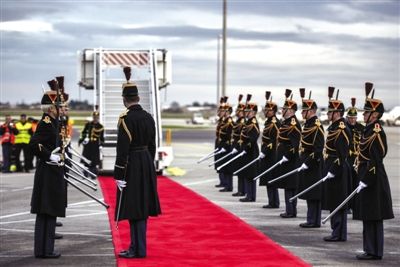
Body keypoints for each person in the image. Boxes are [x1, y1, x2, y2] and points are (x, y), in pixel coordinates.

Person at [114, 66, 161, 259]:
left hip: (132, 164)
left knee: (134, 207)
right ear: (138, 98)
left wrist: (118, 174)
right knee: (141, 207)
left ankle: (137, 249)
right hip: (146, 163)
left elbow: (122, 150)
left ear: (125, 100)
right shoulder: (149, 117)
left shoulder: (125, 119)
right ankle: (137, 247)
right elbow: (152, 145)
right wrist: (148, 162)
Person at [353, 82, 394, 260]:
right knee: (368, 216)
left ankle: (374, 251)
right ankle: (370, 249)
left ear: (375, 114)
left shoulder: (376, 132)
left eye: (366, 112)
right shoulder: (368, 130)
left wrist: (366, 179)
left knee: (373, 216)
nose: (363, 114)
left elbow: (376, 160)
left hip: (373, 180)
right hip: (367, 178)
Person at [30, 80, 67, 258]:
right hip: (48, 172)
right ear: (52, 108)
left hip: (52, 171)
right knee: (47, 211)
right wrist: (48, 155)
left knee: (48, 212)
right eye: (58, 106)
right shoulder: (46, 122)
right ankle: (45, 250)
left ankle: (44, 249)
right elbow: (33, 144)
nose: (61, 109)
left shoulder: (53, 122)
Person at [321, 87, 351, 242]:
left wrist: (333, 169)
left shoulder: (341, 129)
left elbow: (342, 155)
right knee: (334, 200)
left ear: (337, 113)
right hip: (332, 167)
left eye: (330, 112)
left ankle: (339, 233)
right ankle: (336, 231)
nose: (328, 114)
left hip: (338, 170)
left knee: (338, 202)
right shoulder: (334, 127)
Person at [297, 88, 325, 228]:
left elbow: (318, 149)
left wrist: (307, 162)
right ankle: (311, 219)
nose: (302, 113)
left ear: (311, 111)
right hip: (307, 163)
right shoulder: (308, 124)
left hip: (313, 164)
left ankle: (314, 220)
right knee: (309, 192)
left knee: (314, 193)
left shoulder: (316, 126)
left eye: (304, 111)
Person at [275, 89, 301, 218]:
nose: (282, 110)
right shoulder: (286, 122)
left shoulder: (293, 124)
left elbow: (294, 145)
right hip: (285, 160)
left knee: (290, 186)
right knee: (287, 186)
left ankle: (291, 211)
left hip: (290, 160)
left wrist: (287, 156)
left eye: (284, 109)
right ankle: (289, 209)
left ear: (290, 111)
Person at [258, 91, 281, 209]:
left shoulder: (275, 123)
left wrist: (265, 151)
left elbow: (274, 141)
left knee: (272, 179)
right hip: (267, 155)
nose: (265, 112)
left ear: (272, 111)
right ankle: (271, 201)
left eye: (267, 110)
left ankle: (274, 202)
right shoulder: (268, 122)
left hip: (271, 155)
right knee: (267, 179)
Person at [237, 98, 260, 202]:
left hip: (251, 152)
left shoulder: (253, 123)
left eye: (248, 111)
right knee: (247, 174)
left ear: (253, 112)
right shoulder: (248, 122)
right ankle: (248, 194)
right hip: (247, 152)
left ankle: (251, 196)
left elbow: (253, 139)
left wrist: (246, 148)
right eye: (245, 111)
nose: (246, 113)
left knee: (251, 175)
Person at [345, 98, 364, 211]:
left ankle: (356, 206)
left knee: (357, 183)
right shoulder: (344, 127)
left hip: (358, 160)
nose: (352, 120)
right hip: (347, 159)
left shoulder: (361, 128)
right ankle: (347, 205)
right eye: (350, 118)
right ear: (347, 118)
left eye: (354, 118)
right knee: (347, 184)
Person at [216, 98, 234, 192]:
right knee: (223, 165)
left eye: (225, 111)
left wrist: (226, 146)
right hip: (223, 145)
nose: (223, 112)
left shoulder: (229, 121)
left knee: (227, 166)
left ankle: (228, 185)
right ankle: (225, 184)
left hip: (227, 147)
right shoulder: (224, 120)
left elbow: (230, 136)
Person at [78, 110, 104, 176]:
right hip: (88, 143)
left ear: (98, 118)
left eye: (96, 117)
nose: (95, 118)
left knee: (94, 159)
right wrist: (82, 139)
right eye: (94, 117)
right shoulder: (88, 124)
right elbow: (83, 132)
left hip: (95, 144)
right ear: (93, 117)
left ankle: (93, 173)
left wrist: (101, 144)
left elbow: (102, 137)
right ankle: (86, 172)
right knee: (87, 158)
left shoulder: (101, 126)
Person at [231, 95, 246, 197]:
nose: (236, 112)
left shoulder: (243, 122)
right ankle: (240, 190)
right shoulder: (238, 121)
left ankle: (243, 191)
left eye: (238, 111)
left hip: (243, 149)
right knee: (239, 170)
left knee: (243, 171)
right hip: (238, 147)